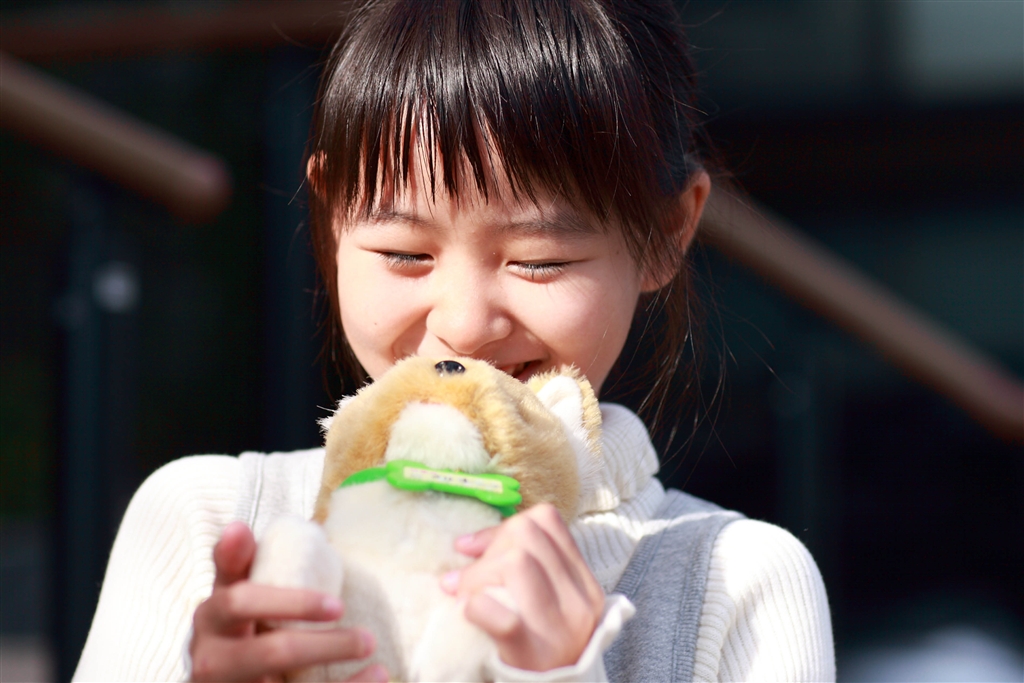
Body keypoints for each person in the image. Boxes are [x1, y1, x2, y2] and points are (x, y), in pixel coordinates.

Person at [74, 1, 835, 681]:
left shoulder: (739, 585)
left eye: (540, 260)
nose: (464, 325)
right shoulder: (206, 521)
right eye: (405, 252)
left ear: (669, 231)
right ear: (332, 219)